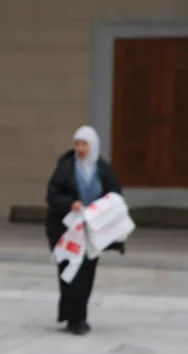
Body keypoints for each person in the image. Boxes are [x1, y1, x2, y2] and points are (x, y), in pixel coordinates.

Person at [45, 125, 125, 335]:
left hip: (91, 230)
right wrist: (70, 203)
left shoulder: (102, 169)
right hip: (67, 229)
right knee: (70, 272)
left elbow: (115, 194)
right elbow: (52, 195)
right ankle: (73, 317)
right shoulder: (65, 167)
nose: (80, 148)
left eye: (84, 144)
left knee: (87, 272)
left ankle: (79, 316)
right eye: (77, 144)